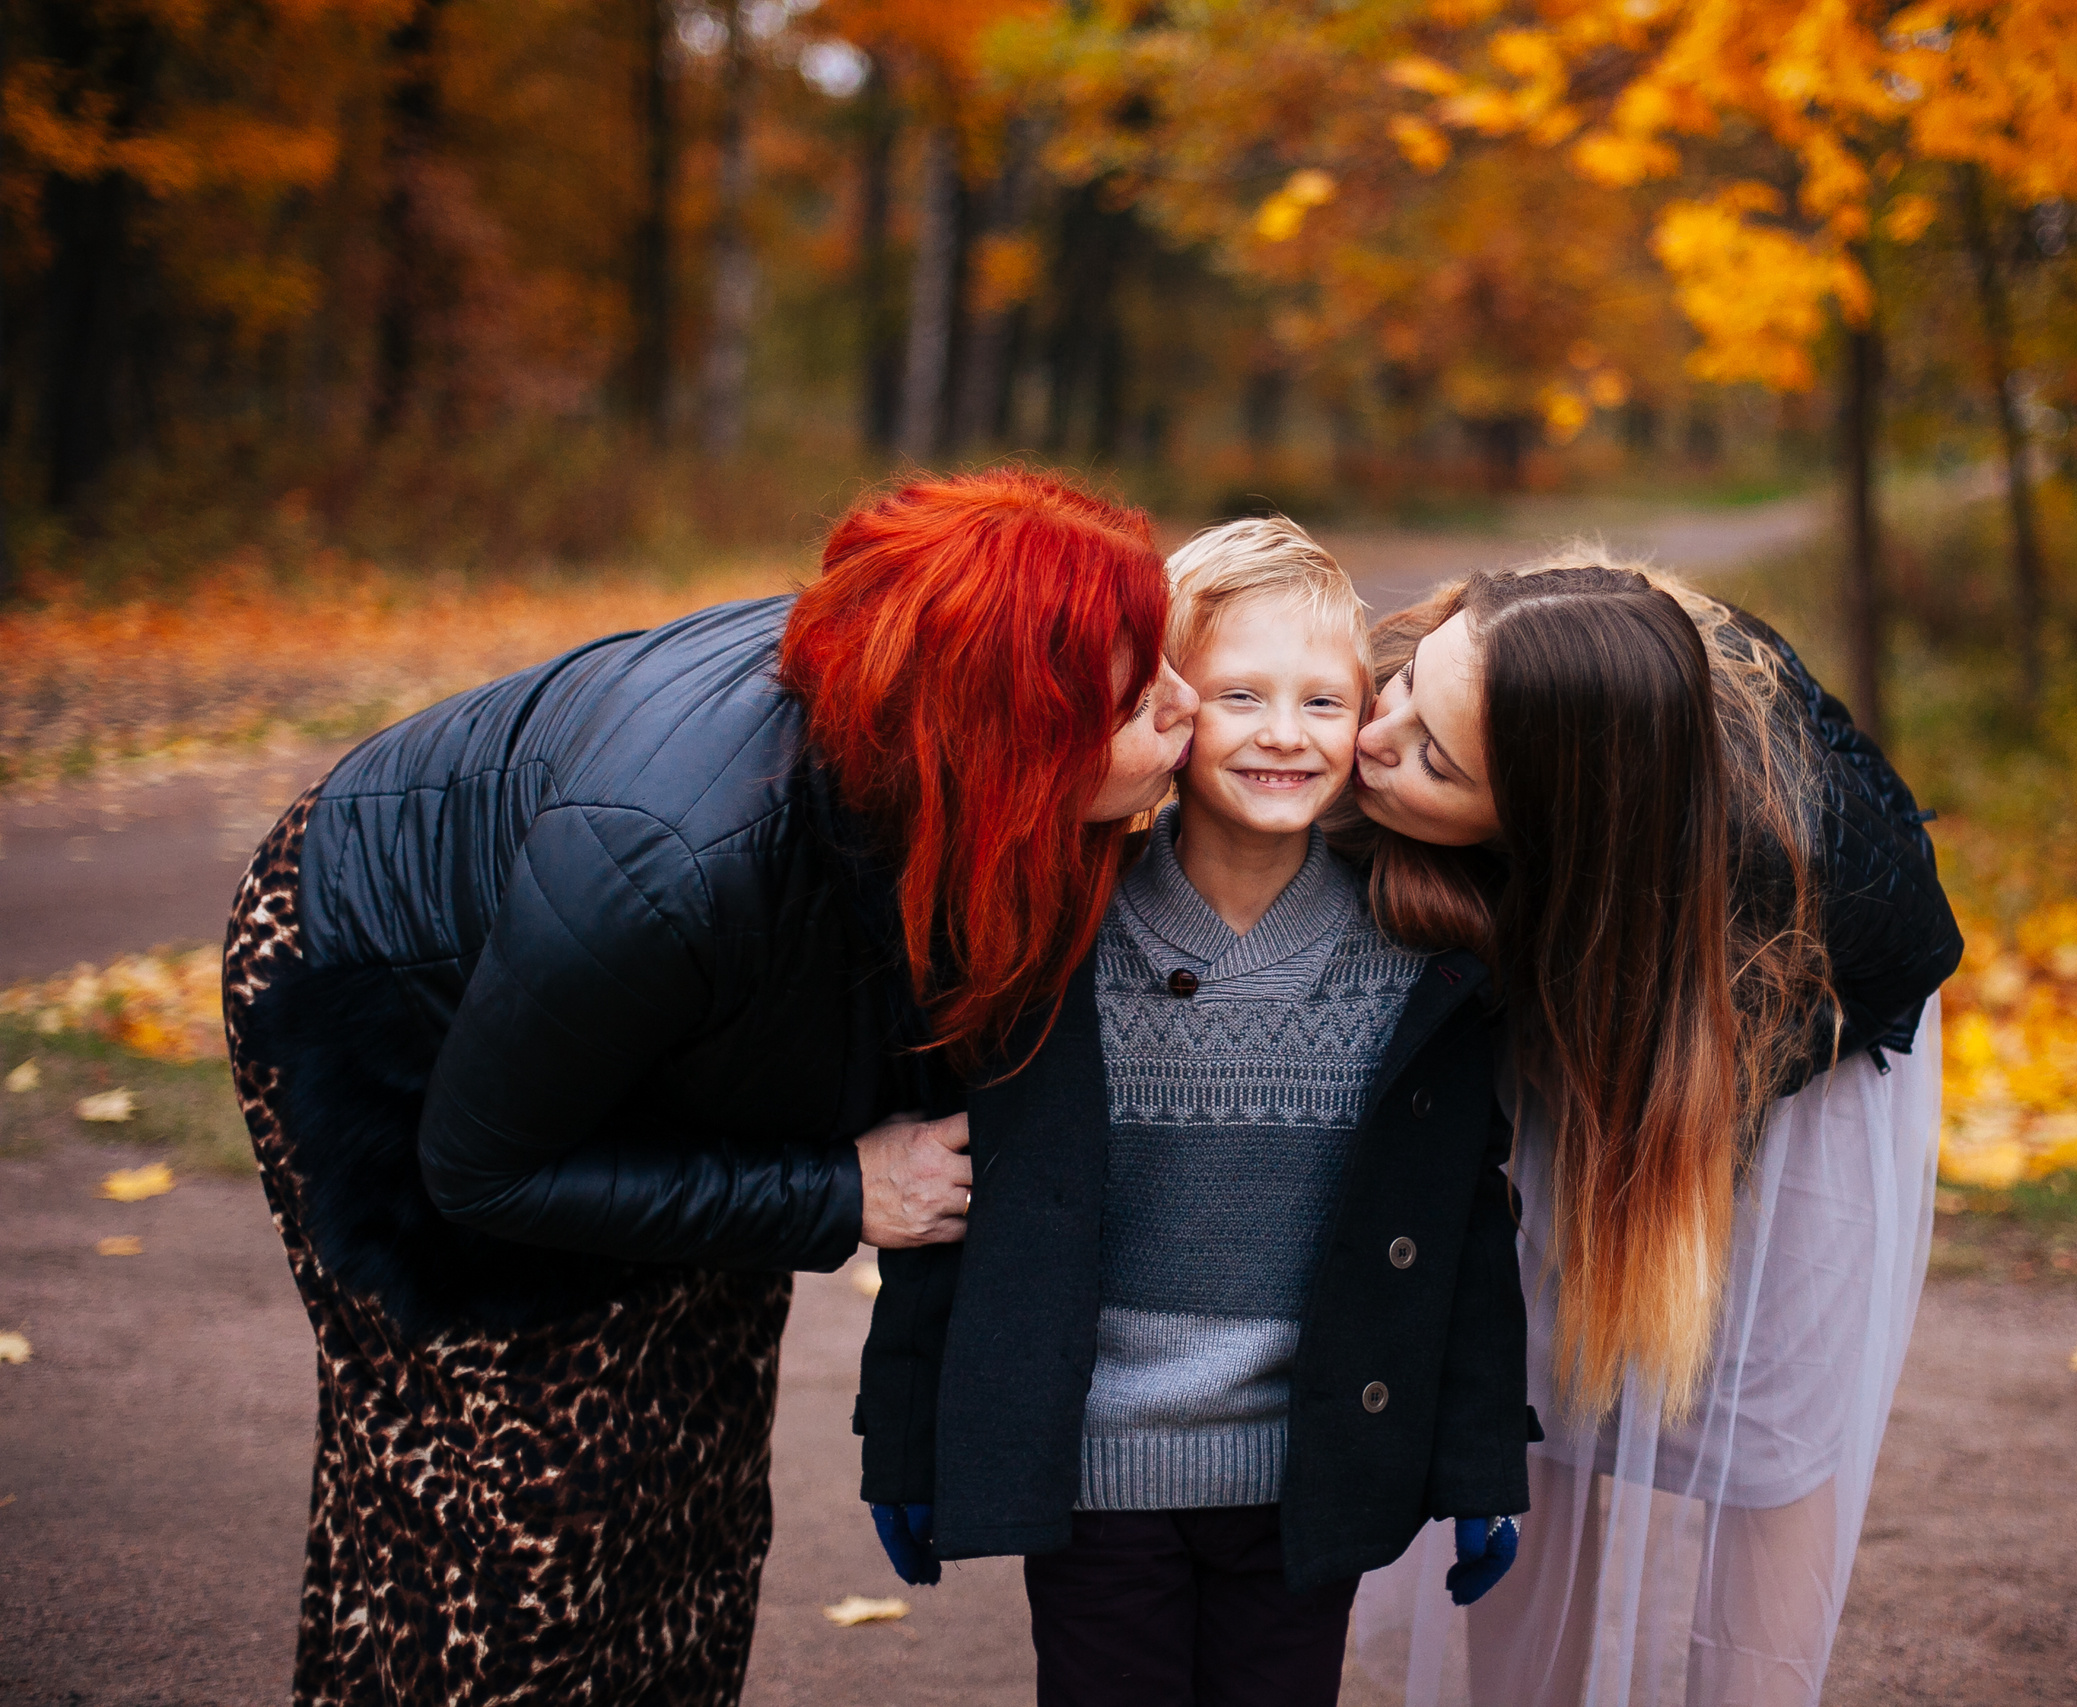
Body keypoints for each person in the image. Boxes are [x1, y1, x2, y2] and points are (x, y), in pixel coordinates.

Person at [217, 469, 1199, 1706]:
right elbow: (480, 1169)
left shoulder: (932, 763)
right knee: (517, 1502)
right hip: (387, 1008)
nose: (1187, 703)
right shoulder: (672, 861)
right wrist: (838, 1192)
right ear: (1011, 743)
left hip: (650, 1011)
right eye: (1137, 699)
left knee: (693, 1470)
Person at [855, 517, 1532, 1707]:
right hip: (1096, 1479)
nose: (1284, 733)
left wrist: (1481, 1460)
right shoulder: (1053, 936)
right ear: (1167, 708)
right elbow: (959, 1209)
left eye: (1323, 702)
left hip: (1305, 1478)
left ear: (1365, 716)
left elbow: (1461, 1223)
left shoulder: (1415, 959)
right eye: (1240, 696)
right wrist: (904, 1437)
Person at [1338, 557, 1964, 1707]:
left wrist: (1646, 1146)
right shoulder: (1429, 682)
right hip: (1590, 973)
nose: (1374, 738)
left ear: (1552, 834)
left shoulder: (1790, 884)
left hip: (1796, 1038)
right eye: (1409, 689)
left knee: (1770, 1430)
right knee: (1527, 1386)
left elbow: (1914, 949)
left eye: (1433, 760)